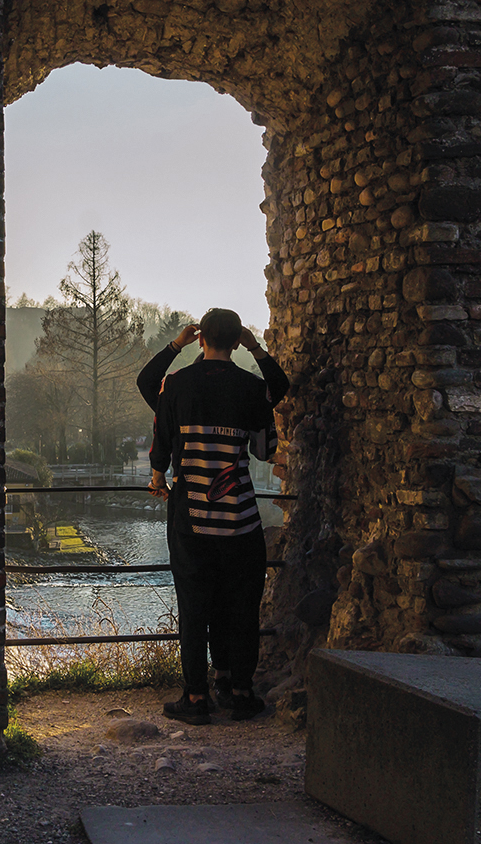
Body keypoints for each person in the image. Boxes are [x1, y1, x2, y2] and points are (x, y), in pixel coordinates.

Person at [140, 308, 288, 724]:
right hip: (240, 519)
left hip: (191, 519)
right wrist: (256, 347)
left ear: (201, 337)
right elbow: (265, 446)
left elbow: (146, 386)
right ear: (237, 339)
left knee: (194, 606)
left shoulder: (177, 386)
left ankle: (196, 696)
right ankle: (240, 690)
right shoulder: (252, 389)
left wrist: (175, 345)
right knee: (241, 605)